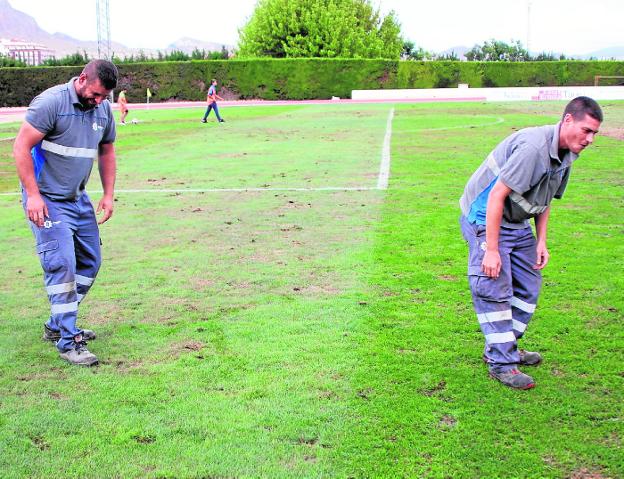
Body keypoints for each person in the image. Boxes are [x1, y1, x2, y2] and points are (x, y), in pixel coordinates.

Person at [459, 96, 602, 389]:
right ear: (568, 121)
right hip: (484, 216)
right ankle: (501, 363)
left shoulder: (567, 154)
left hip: (517, 220)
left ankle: (505, 347)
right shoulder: (534, 149)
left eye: (594, 133)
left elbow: (546, 198)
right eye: (586, 130)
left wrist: (541, 242)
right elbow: (497, 196)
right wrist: (493, 250)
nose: (589, 139)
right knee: (493, 284)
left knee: (529, 284)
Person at [13, 59, 119, 366]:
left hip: (77, 198)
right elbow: (21, 147)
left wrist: (109, 194)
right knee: (62, 264)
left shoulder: (102, 109)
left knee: (90, 262)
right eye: (96, 94)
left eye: (104, 97)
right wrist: (33, 195)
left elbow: (107, 150)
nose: (99, 101)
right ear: (83, 78)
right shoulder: (51, 103)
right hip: (46, 199)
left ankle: (56, 322)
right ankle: (69, 339)